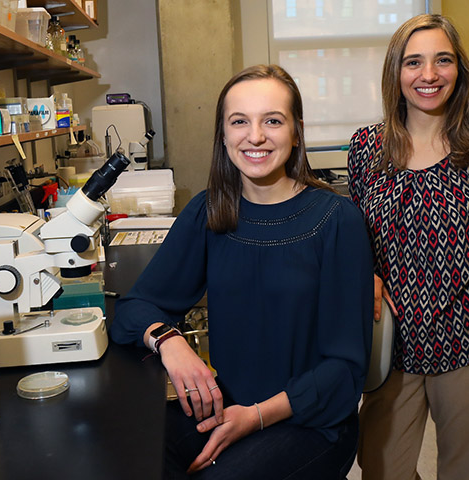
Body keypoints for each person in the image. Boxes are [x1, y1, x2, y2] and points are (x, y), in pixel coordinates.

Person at [111, 64, 374, 479]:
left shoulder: (337, 221)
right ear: (223, 134)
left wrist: (255, 417)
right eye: (239, 122)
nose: (255, 136)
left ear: (297, 131)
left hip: (310, 422)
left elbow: (344, 373)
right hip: (228, 404)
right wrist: (170, 341)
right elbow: (132, 310)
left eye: (272, 120)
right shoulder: (210, 210)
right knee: (131, 452)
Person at [346, 14, 469, 480]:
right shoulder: (368, 150)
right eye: (414, 62)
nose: (428, 75)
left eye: (442, 60)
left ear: (460, 70)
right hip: (393, 352)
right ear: (396, 72)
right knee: (380, 467)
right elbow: (354, 245)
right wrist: (365, 272)